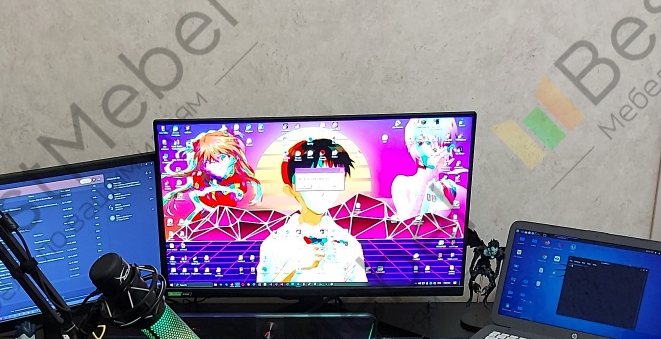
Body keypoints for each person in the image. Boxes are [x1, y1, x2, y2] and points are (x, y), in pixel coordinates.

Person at [257, 138, 367, 284]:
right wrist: (293, 266)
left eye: (332, 181)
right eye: (310, 181)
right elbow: (264, 290)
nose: (323, 191)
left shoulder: (351, 244)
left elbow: (360, 286)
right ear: (291, 189)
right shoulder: (273, 244)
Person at [161, 128, 262, 226]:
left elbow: (237, 195)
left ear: (234, 158)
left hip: (228, 223)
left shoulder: (237, 181)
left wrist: (211, 190)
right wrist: (171, 194)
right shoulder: (202, 176)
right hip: (204, 222)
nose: (217, 165)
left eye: (222, 157)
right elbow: (191, 187)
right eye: (209, 161)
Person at [390, 117, 468, 228]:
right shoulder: (402, 184)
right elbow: (406, 228)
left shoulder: (459, 192)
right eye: (426, 143)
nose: (438, 150)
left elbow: (466, 231)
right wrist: (425, 183)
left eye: (444, 144)